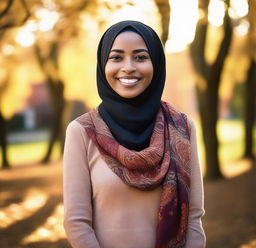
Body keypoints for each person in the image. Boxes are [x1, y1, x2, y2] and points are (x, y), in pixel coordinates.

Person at [63, 20, 206, 248]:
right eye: (116, 57)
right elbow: (76, 223)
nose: (128, 67)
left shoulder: (182, 127)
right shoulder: (81, 132)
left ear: (157, 64)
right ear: (102, 65)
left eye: (140, 57)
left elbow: (194, 219)